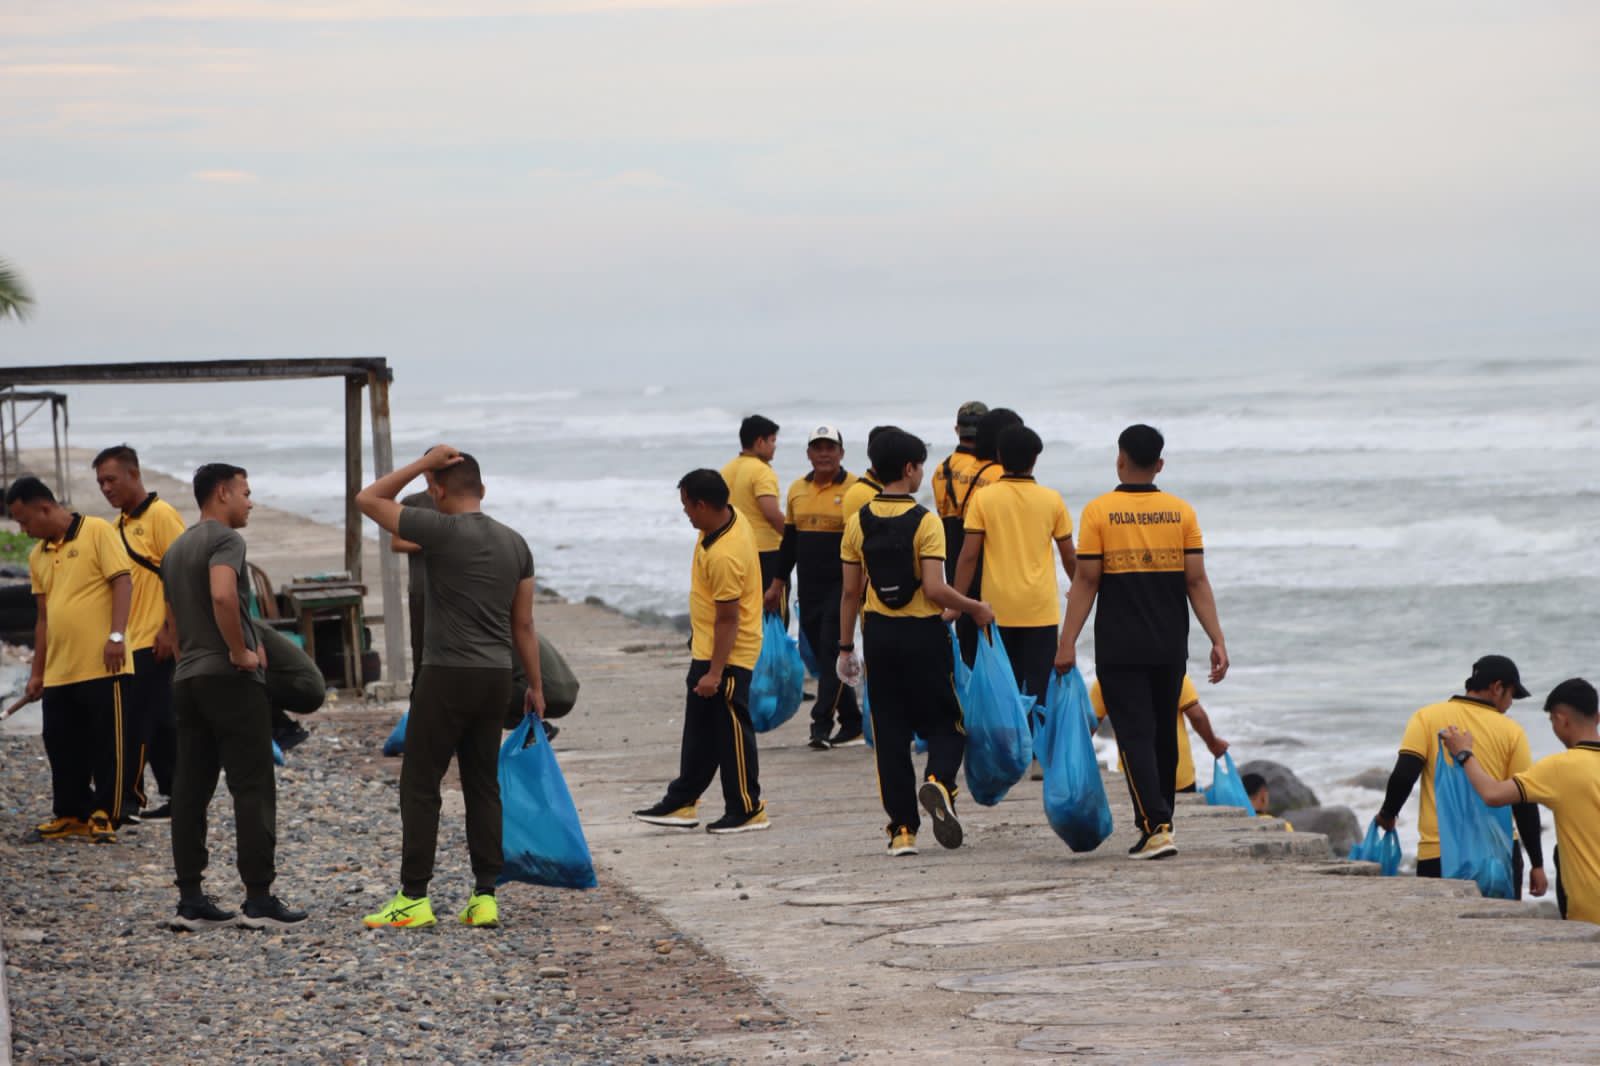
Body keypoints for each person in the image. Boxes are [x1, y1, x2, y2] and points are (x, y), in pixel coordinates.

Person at [356, 446, 544, 930]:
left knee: (421, 783)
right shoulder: (516, 543)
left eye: (432, 487)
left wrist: (421, 464)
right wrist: (535, 686)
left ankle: (414, 898)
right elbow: (523, 625)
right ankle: (485, 896)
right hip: (496, 675)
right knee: (483, 784)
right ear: (483, 489)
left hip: (445, 674)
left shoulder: (438, 530)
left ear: (438, 490)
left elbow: (367, 498)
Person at [1055, 424, 1228, 861]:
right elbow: (1197, 580)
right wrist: (1217, 640)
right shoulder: (1181, 512)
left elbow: (1087, 580)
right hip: (1171, 643)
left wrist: (1067, 642)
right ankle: (1162, 820)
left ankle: (1155, 827)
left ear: (1120, 459)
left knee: (1134, 735)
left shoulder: (1099, 512)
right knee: (1163, 736)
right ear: (1160, 464)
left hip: (1120, 644)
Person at [837, 429, 994, 858]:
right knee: (948, 723)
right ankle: (940, 781)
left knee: (890, 734)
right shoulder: (926, 521)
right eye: (920, 466)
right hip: (924, 636)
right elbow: (935, 588)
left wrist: (845, 647)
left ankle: (902, 831)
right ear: (909, 469)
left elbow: (851, 592)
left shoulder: (858, 520)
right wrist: (973, 607)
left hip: (880, 638)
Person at [161, 463, 305, 930]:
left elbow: (175, 622)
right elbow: (223, 596)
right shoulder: (226, 540)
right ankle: (259, 900)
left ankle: (191, 899)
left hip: (188, 679)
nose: (250, 500)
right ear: (221, 493)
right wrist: (240, 651)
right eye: (245, 491)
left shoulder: (177, 548)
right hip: (228, 678)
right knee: (252, 786)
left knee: (191, 789)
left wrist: (196, 658)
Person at [634, 469, 768, 834]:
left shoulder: (725, 554)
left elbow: (729, 619)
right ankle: (682, 800)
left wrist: (715, 672)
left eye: (687, 507)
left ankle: (747, 807)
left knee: (731, 730)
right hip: (707, 647)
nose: (686, 514)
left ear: (704, 505)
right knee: (701, 730)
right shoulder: (725, 520)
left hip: (727, 654)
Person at [6, 476, 134, 844]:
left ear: (44, 507)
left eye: (23, 519)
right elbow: (43, 618)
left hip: (102, 663)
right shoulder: (38, 555)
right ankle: (71, 813)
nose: (22, 529)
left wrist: (116, 635)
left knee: (106, 741)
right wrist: (37, 672)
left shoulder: (96, 531)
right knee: (60, 741)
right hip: (60, 669)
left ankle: (105, 813)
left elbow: (122, 582)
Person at [1376, 655, 1546, 898]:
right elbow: (1524, 800)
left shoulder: (1427, 717)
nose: (1510, 704)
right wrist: (1537, 863)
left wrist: (1387, 815)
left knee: (1440, 932)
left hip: (1439, 853)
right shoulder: (1512, 731)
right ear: (1497, 688)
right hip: (1498, 855)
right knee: (1496, 933)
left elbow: (1404, 775)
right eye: (1511, 695)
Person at [1441, 678, 1600, 925]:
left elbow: (1493, 794)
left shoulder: (1562, 768)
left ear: (1561, 719)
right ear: (1597, 717)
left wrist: (1464, 754)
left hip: (1590, 912)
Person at [92, 445, 188, 824]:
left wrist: (170, 628)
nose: (105, 488)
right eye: (100, 482)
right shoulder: (116, 528)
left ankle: (137, 798)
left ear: (134, 474)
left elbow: (180, 571)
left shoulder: (161, 515)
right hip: (129, 642)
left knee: (148, 723)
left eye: (111, 479)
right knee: (145, 722)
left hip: (154, 639)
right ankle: (163, 795)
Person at [953, 425, 1074, 707]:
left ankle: (1008, 748)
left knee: (1003, 690)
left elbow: (969, 556)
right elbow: (1069, 556)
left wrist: (956, 602)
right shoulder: (1051, 499)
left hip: (996, 610)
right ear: (1035, 458)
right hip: (1040, 610)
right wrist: (1081, 589)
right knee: (1038, 691)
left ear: (999, 456)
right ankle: (1034, 749)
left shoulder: (984, 498)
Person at [774, 425, 863, 749]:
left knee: (831, 651)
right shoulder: (797, 488)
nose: (824, 453)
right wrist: (777, 583)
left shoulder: (855, 489)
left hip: (842, 587)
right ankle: (852, 721)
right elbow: (790, 542)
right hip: (808, 587)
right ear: (808, 453)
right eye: (817, 447)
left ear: (841, 452)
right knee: (824, 656)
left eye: (830, 447)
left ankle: (820, 724)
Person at [951, 408, 1021, 666]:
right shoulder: (998, 477)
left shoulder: (955, 468)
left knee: (971, 656)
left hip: (958, 569)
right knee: (999, 660)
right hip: (991, 576)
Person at [1090, 674, 1230, 796]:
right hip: (1177, 775)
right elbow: (1196, 715)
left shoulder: (1107, 677)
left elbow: (1088, 725)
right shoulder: (1172, 669)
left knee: (1144, 824)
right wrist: (1213, 744)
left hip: (1134, 776)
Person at [722, 415, 786, 617]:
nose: (774, 447)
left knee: (745, 612)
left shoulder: (727, 470)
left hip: (735, 550)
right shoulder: (761, 471)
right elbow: (770, 512)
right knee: (773, 614)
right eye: (772, 441)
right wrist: (794, 539)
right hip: (766, 552)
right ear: (760, 442)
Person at [930, 401, 989, 580]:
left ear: (957, 430)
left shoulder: (941, 469)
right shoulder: (988, 469)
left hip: (952, 558)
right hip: (981, 560)